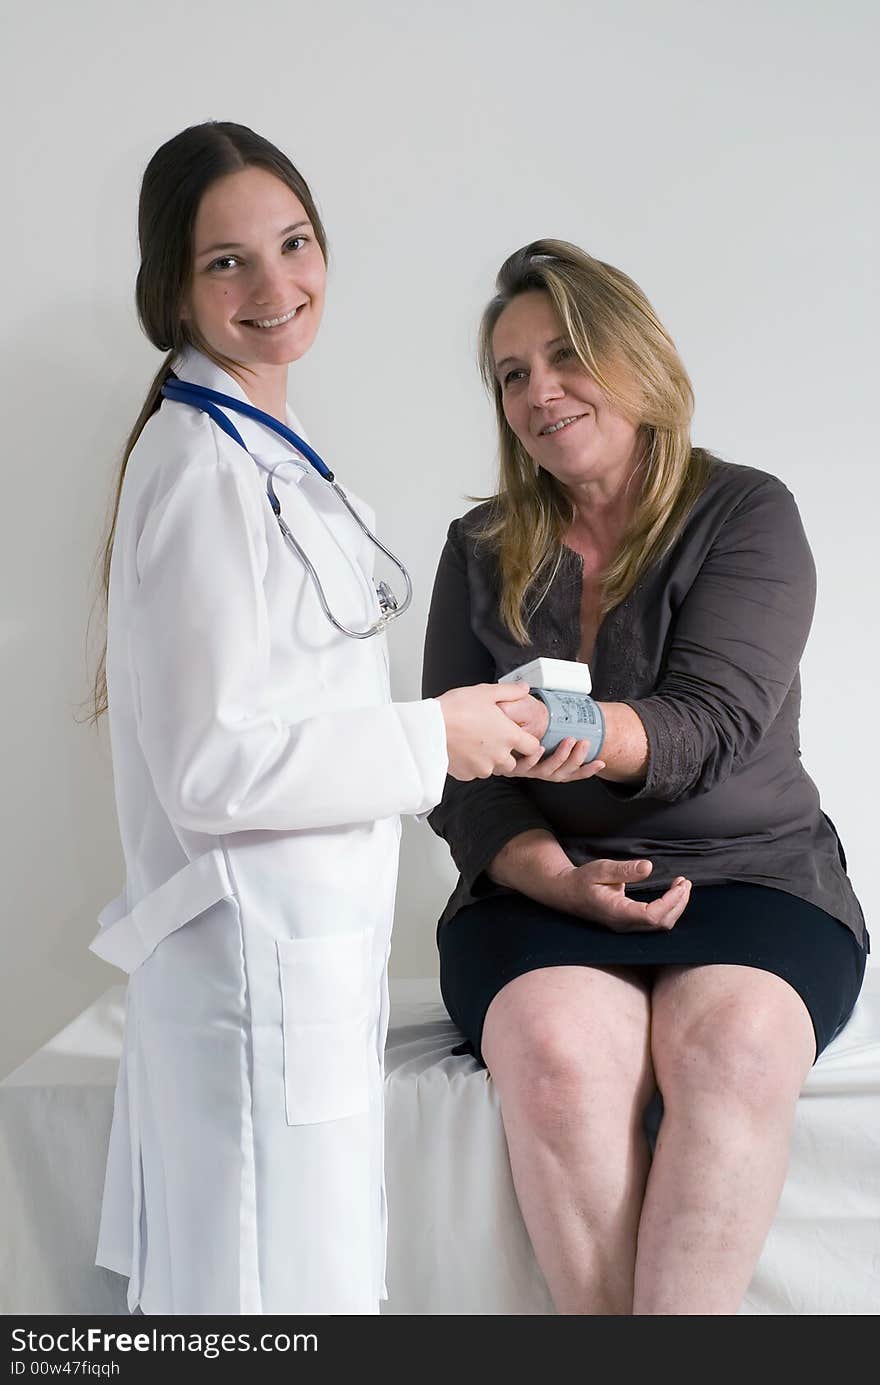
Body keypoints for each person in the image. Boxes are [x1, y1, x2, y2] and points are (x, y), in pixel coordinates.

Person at [87, 121, 541, 1317]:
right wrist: (430, 737)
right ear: (171, 289)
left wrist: (433, 729)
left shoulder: (272, 451)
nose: (276, 284)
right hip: (252, 985)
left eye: (293, 243)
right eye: (226, 261)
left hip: (301, 970)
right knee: (263, 1307)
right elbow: (210, 767)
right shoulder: (198, 467)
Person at [422, 239, 868, 1316]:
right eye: (511, 374)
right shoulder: (480, 545)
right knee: (559, 1056)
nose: (539, 391)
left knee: (734, 1045)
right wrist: (549, 876)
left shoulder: (748, 513)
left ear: (636, 360)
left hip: (751, 876)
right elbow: (462, 776)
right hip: (549, 882)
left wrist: (553, 721)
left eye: (565, 355)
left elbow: (705, 725)